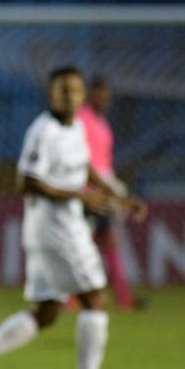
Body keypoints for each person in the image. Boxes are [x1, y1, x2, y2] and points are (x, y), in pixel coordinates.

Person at [0, 67, 147, 369]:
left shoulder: (77, 130)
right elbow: (25, 181)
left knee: (46, 311)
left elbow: (86, 169)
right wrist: (78, 195)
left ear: (82, 95)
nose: (70, 96)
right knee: (94, 299)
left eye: (75, 90)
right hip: (56, 227)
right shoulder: (43, 131)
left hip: (53, 229)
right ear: (50, 95)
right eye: (63, 90)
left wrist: (118, 198)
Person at [77, 77, 146, 311]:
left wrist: (113, 186)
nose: (105, 100)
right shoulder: (81, 120)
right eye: (101, 95)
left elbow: (104, 162)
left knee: (108, 241)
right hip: (84, 193)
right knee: (78, 244)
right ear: (91, 94)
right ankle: (70, 298)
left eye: (107, 96)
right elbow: (80, 159)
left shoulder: (102, 124)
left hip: (103, 191)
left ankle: (123, 297)